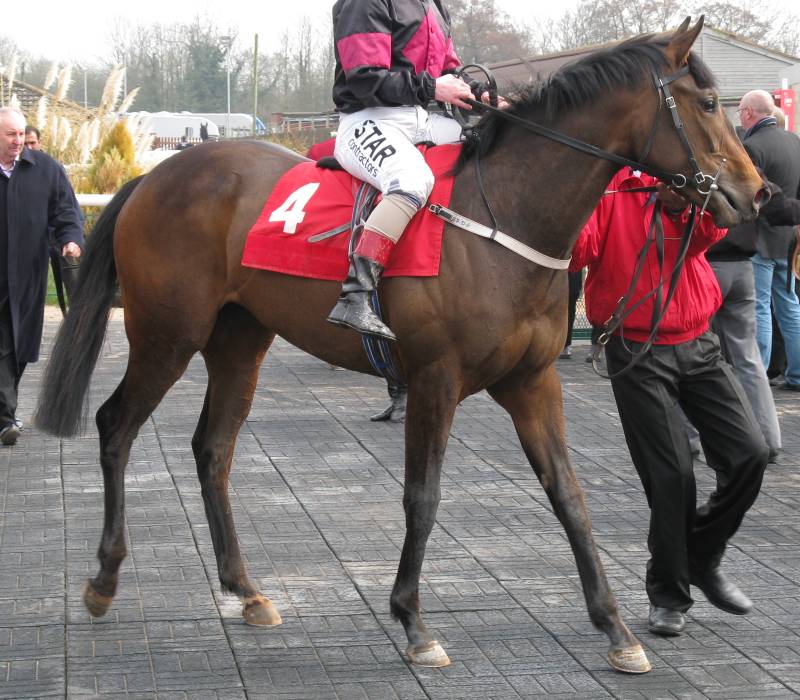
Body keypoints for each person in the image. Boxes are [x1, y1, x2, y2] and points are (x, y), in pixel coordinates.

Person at [571, 167, 768, 638]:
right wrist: (571, 198)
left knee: (751, 453)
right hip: (636, 348)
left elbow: (709, 235)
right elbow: (578, 252)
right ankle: (668, 593)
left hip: (699, 340)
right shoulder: (610, 184)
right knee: (672, 474)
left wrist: (682, 206)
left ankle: (701, 555)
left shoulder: (684, 172)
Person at [326, 0, 501, 341]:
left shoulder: (432, 4)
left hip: (420, 119)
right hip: (366, 118)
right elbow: (364, 80)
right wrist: (434, 88)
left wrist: (485, 97)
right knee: (411, 180)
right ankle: (355, 294)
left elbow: (450, 70)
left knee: (496, 140)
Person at [0, 107, 84, 445]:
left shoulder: (46, 169)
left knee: (20, 346)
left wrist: (71, 239)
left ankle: (4, 411)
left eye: (21, 134)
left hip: (29, 275)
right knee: (4, 343)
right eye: (10, 134)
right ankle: (6, 419)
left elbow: (66, 210)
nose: (18, 141)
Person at [737, 90, 800, 391]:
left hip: (760, 238)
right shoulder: (794, 141)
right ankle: (797, 373)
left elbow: (751, 194)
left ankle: (758, 376)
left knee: (760, 307)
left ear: (749, 112)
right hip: (788, 238)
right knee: (789, 305)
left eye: (740, 110)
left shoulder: (751, 147)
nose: (739, 116)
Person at [559, 270, 583, 359]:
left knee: (569, 312)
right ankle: (563, 345)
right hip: (557, 273)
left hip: (571, 275)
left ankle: (565, 345)